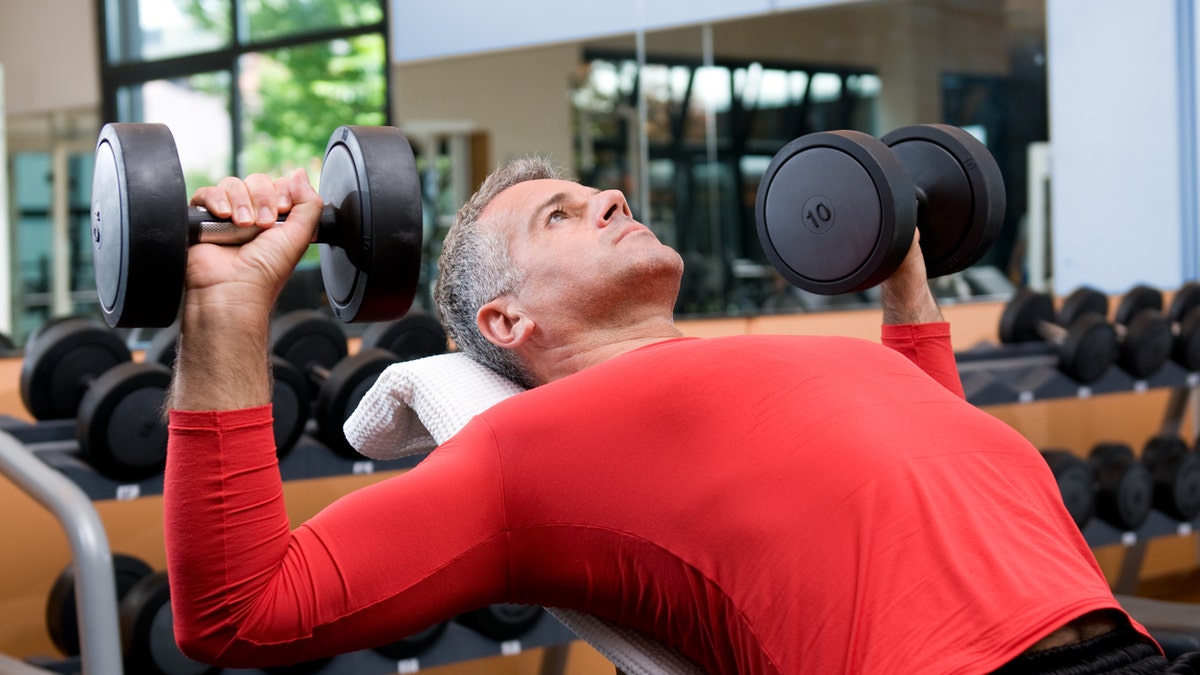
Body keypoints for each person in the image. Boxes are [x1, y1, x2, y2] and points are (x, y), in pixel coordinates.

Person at [164, 158, 1189, 675]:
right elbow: (239, 609)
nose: (609, 197)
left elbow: (930, 452)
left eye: (594, 191)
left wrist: (902, 275)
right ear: (504, 318)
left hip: (1137, 650)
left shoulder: (792, 359)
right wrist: (226, 304)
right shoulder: (527, 454)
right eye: (560, 216)